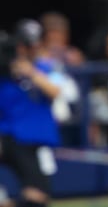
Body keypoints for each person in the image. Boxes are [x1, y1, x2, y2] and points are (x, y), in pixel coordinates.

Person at [0, 30, 61, 207]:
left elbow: (55, 91)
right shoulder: (4, 76)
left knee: (38, 195)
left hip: (36, 140)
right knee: (36, 196)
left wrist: (31, 73)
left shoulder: (43, 68)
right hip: (15, 139)